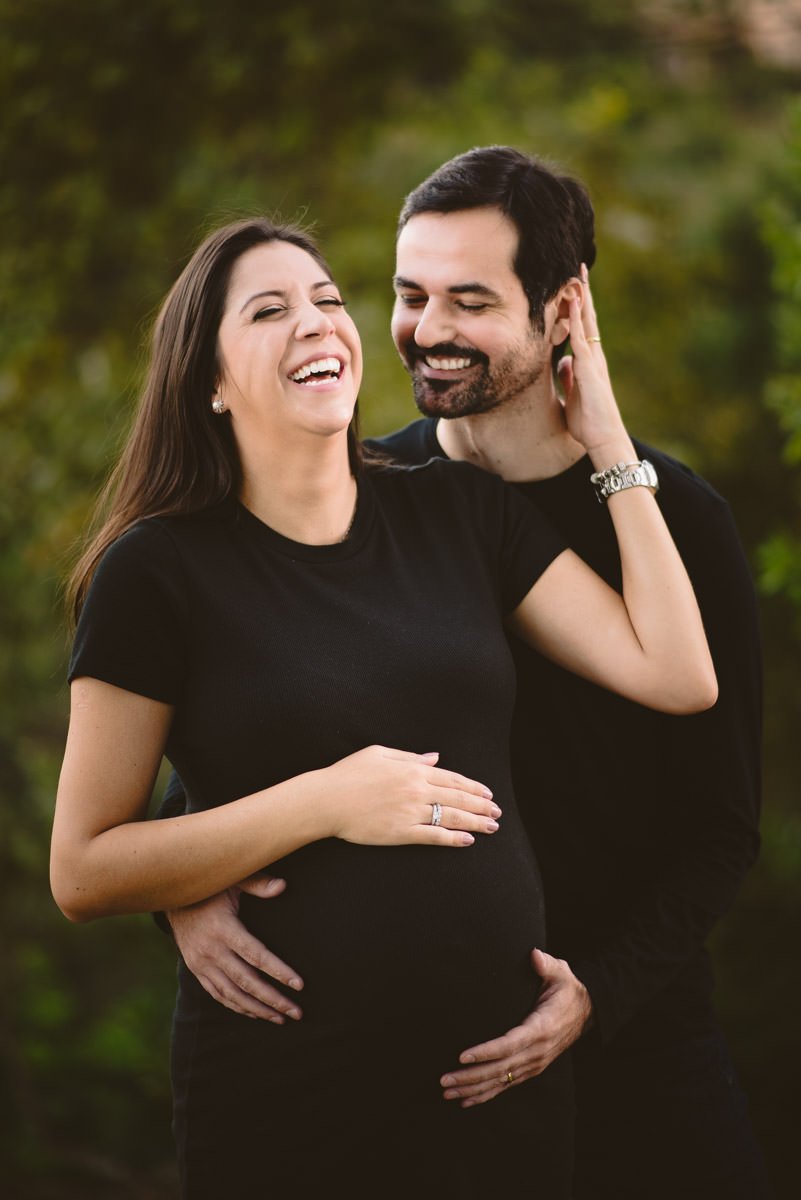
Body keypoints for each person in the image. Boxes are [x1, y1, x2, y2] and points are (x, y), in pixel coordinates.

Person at [50, 214, 717, 1199]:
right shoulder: (158, 572)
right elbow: (84, 866)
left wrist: (606, 438)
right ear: (210, 383)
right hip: (288, 1102)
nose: (317, 322)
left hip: (499, 1093)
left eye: (326, 300)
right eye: (269, 310)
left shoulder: (459, 511)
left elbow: (676, 672)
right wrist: (326, 800)